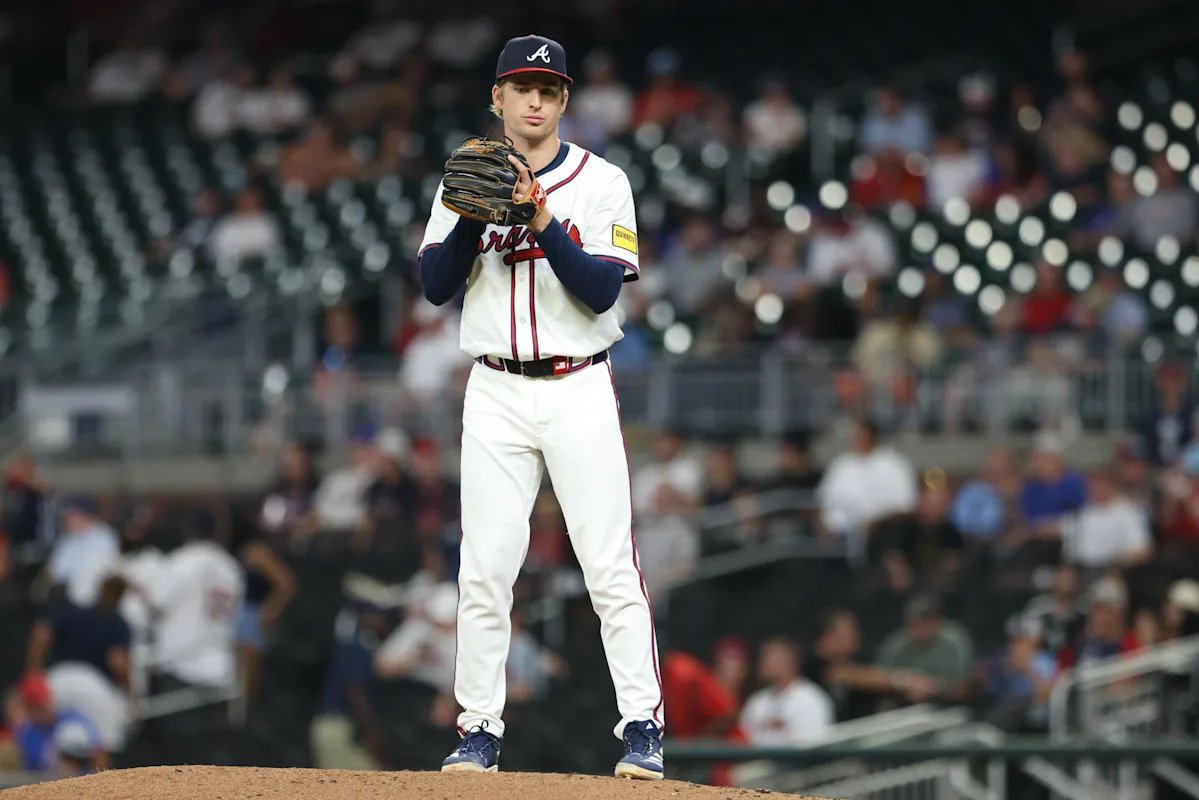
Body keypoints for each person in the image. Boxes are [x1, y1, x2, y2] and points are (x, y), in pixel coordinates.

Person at [417, 34, 663, 778]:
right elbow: (435, 285)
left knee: (609, 567)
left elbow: (600, 291)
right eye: (522, 87)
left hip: (577, 384)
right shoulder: (465, 175)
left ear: (564, 101)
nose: (535, 100)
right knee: (485, 569)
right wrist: (473, 215)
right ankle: (478, 731)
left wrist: (540, 219)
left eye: (548, 90)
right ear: (497, 97)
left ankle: (642, 728)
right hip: (494, 388)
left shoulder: (601, 180)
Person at [146, 511, 244, 692]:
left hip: (182, 666)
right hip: (220, 665)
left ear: (186, 532)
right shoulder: (229, 565)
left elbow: (155, 604)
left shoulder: (179, 562)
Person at [817, 419, 918, 539]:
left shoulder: (894, 464)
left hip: (883, 532)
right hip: (837, 536)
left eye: (862, 436)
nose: (858, 440)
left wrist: (876, 523)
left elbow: (906, 505)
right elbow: (823, 499)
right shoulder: (841, 464)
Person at [26, 575, 132, 689]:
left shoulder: (72, 613)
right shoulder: (118, 624)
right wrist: (129, 691)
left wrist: (33, 672)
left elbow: (41, 635)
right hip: (95, 684)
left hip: (60, 678)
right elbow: (117, 662)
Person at [875, 595, 974, 702]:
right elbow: (878, 679)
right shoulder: (895, 644)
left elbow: (963, 687)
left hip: (946, 701)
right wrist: (906, 683)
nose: (922, 630)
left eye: (927, 623)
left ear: (939, 622)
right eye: (916, 624)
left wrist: (931, 687)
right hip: (902, 700)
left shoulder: (955, 642)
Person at [739, 638, 833, 745]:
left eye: (768, 657)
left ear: (789, 661)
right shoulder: (757, 700)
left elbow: (813, 744)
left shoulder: (811, 699)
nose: (763, 663)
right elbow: (743, 737)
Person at [1061, 470, 1152, 571]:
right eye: (1093, 487)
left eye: (1102, 486)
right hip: (1081, 568)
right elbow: (1069, 552)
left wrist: (1117, 563)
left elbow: (1142, 551)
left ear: (1112, 487)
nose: (1097, 490)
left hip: (1115, 568)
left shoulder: (1128, 513)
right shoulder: (1079, 514)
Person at [45, 497, 119, 607]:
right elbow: (52, 572)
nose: (66, 520)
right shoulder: (66, 540)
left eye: (71, 515)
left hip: (94, 601)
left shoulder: (104, 537)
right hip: (65, 598)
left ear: (84, 516)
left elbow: (103, 573)